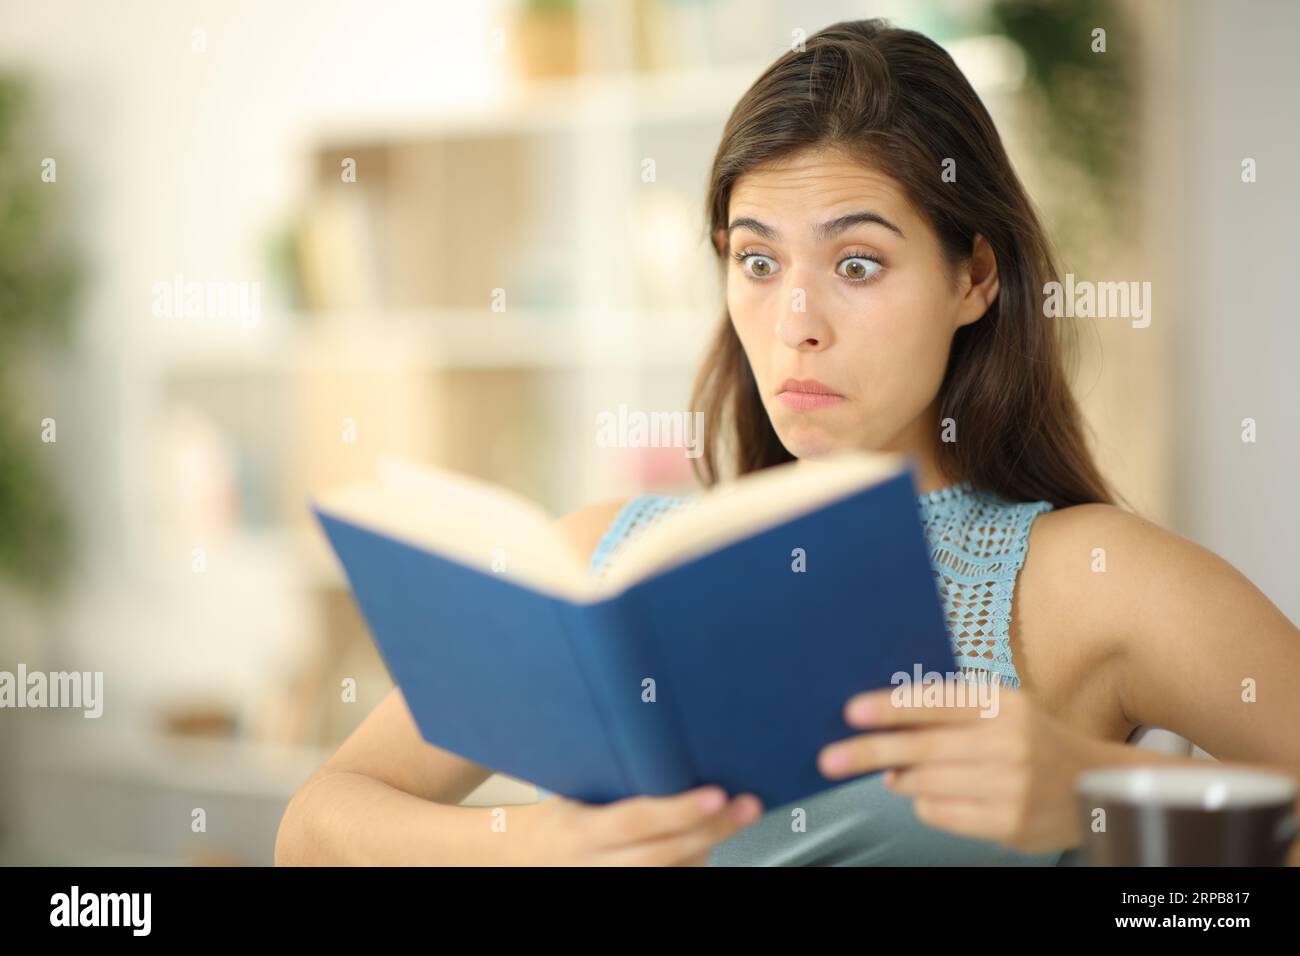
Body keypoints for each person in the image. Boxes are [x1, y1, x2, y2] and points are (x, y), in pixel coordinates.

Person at [275, 18, 1300, 866]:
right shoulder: (603, 561)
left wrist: (1097, 794)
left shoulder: (1089, 580)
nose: (794, 319)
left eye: (856, 263)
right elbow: (316, 828)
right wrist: (545, 840)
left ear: (973, 278)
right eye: (756, 261)